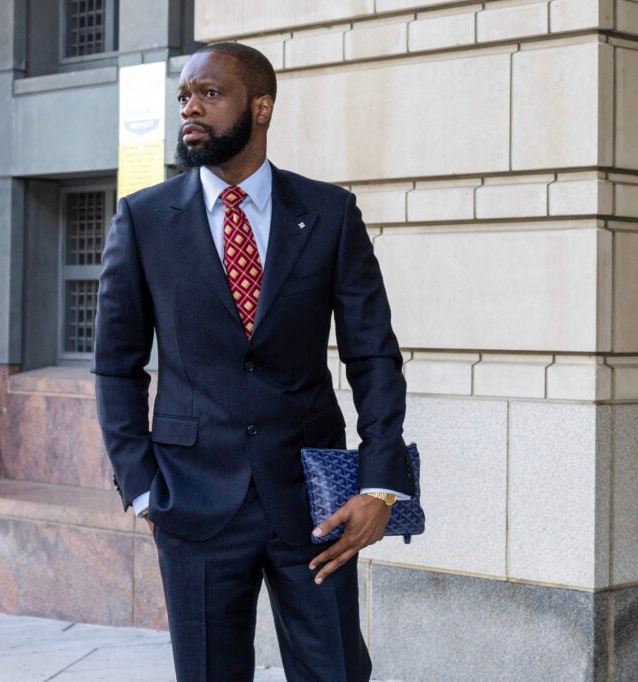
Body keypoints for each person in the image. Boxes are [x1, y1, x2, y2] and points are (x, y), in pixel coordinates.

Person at [92, 42, 413, 681]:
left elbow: (373, 354)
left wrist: (380, 484)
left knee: (336, 671)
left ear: (260, 107)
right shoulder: (145, 219)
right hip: (192, 500)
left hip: (315, 505)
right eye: (185, 95)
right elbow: (115, 365)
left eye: (210, 94)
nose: (191, 108)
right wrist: (142, 487)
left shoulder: (327, 213)